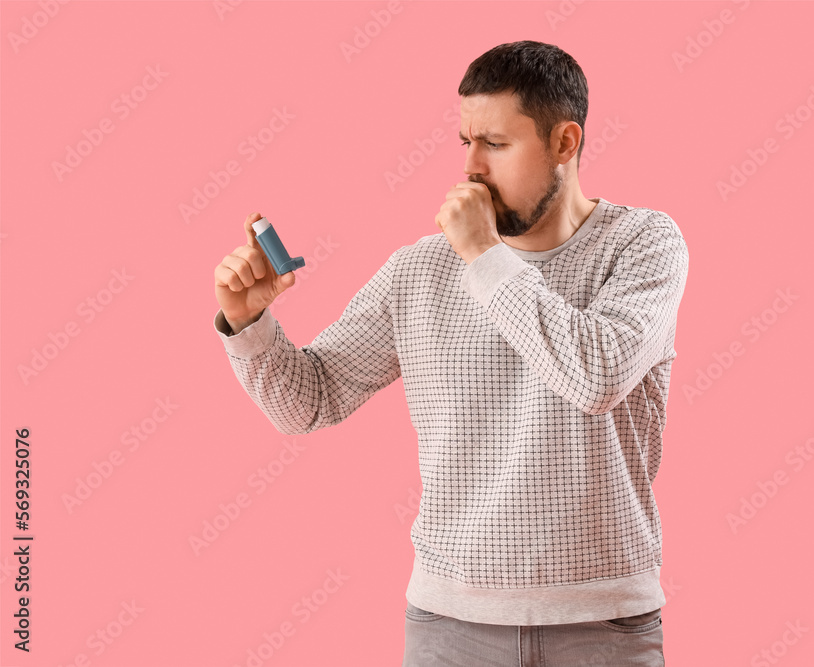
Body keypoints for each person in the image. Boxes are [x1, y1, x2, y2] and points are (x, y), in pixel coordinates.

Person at [213, 40, 688, 667]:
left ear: (565, 144)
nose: (472, 168)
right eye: (465, 142)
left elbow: (597, 375)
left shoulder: (643, 245)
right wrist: (248, 323)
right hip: (450, 627)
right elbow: (311, 400)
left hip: (601, 624)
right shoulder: (421, 270)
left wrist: (486, 259)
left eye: (495, 144)